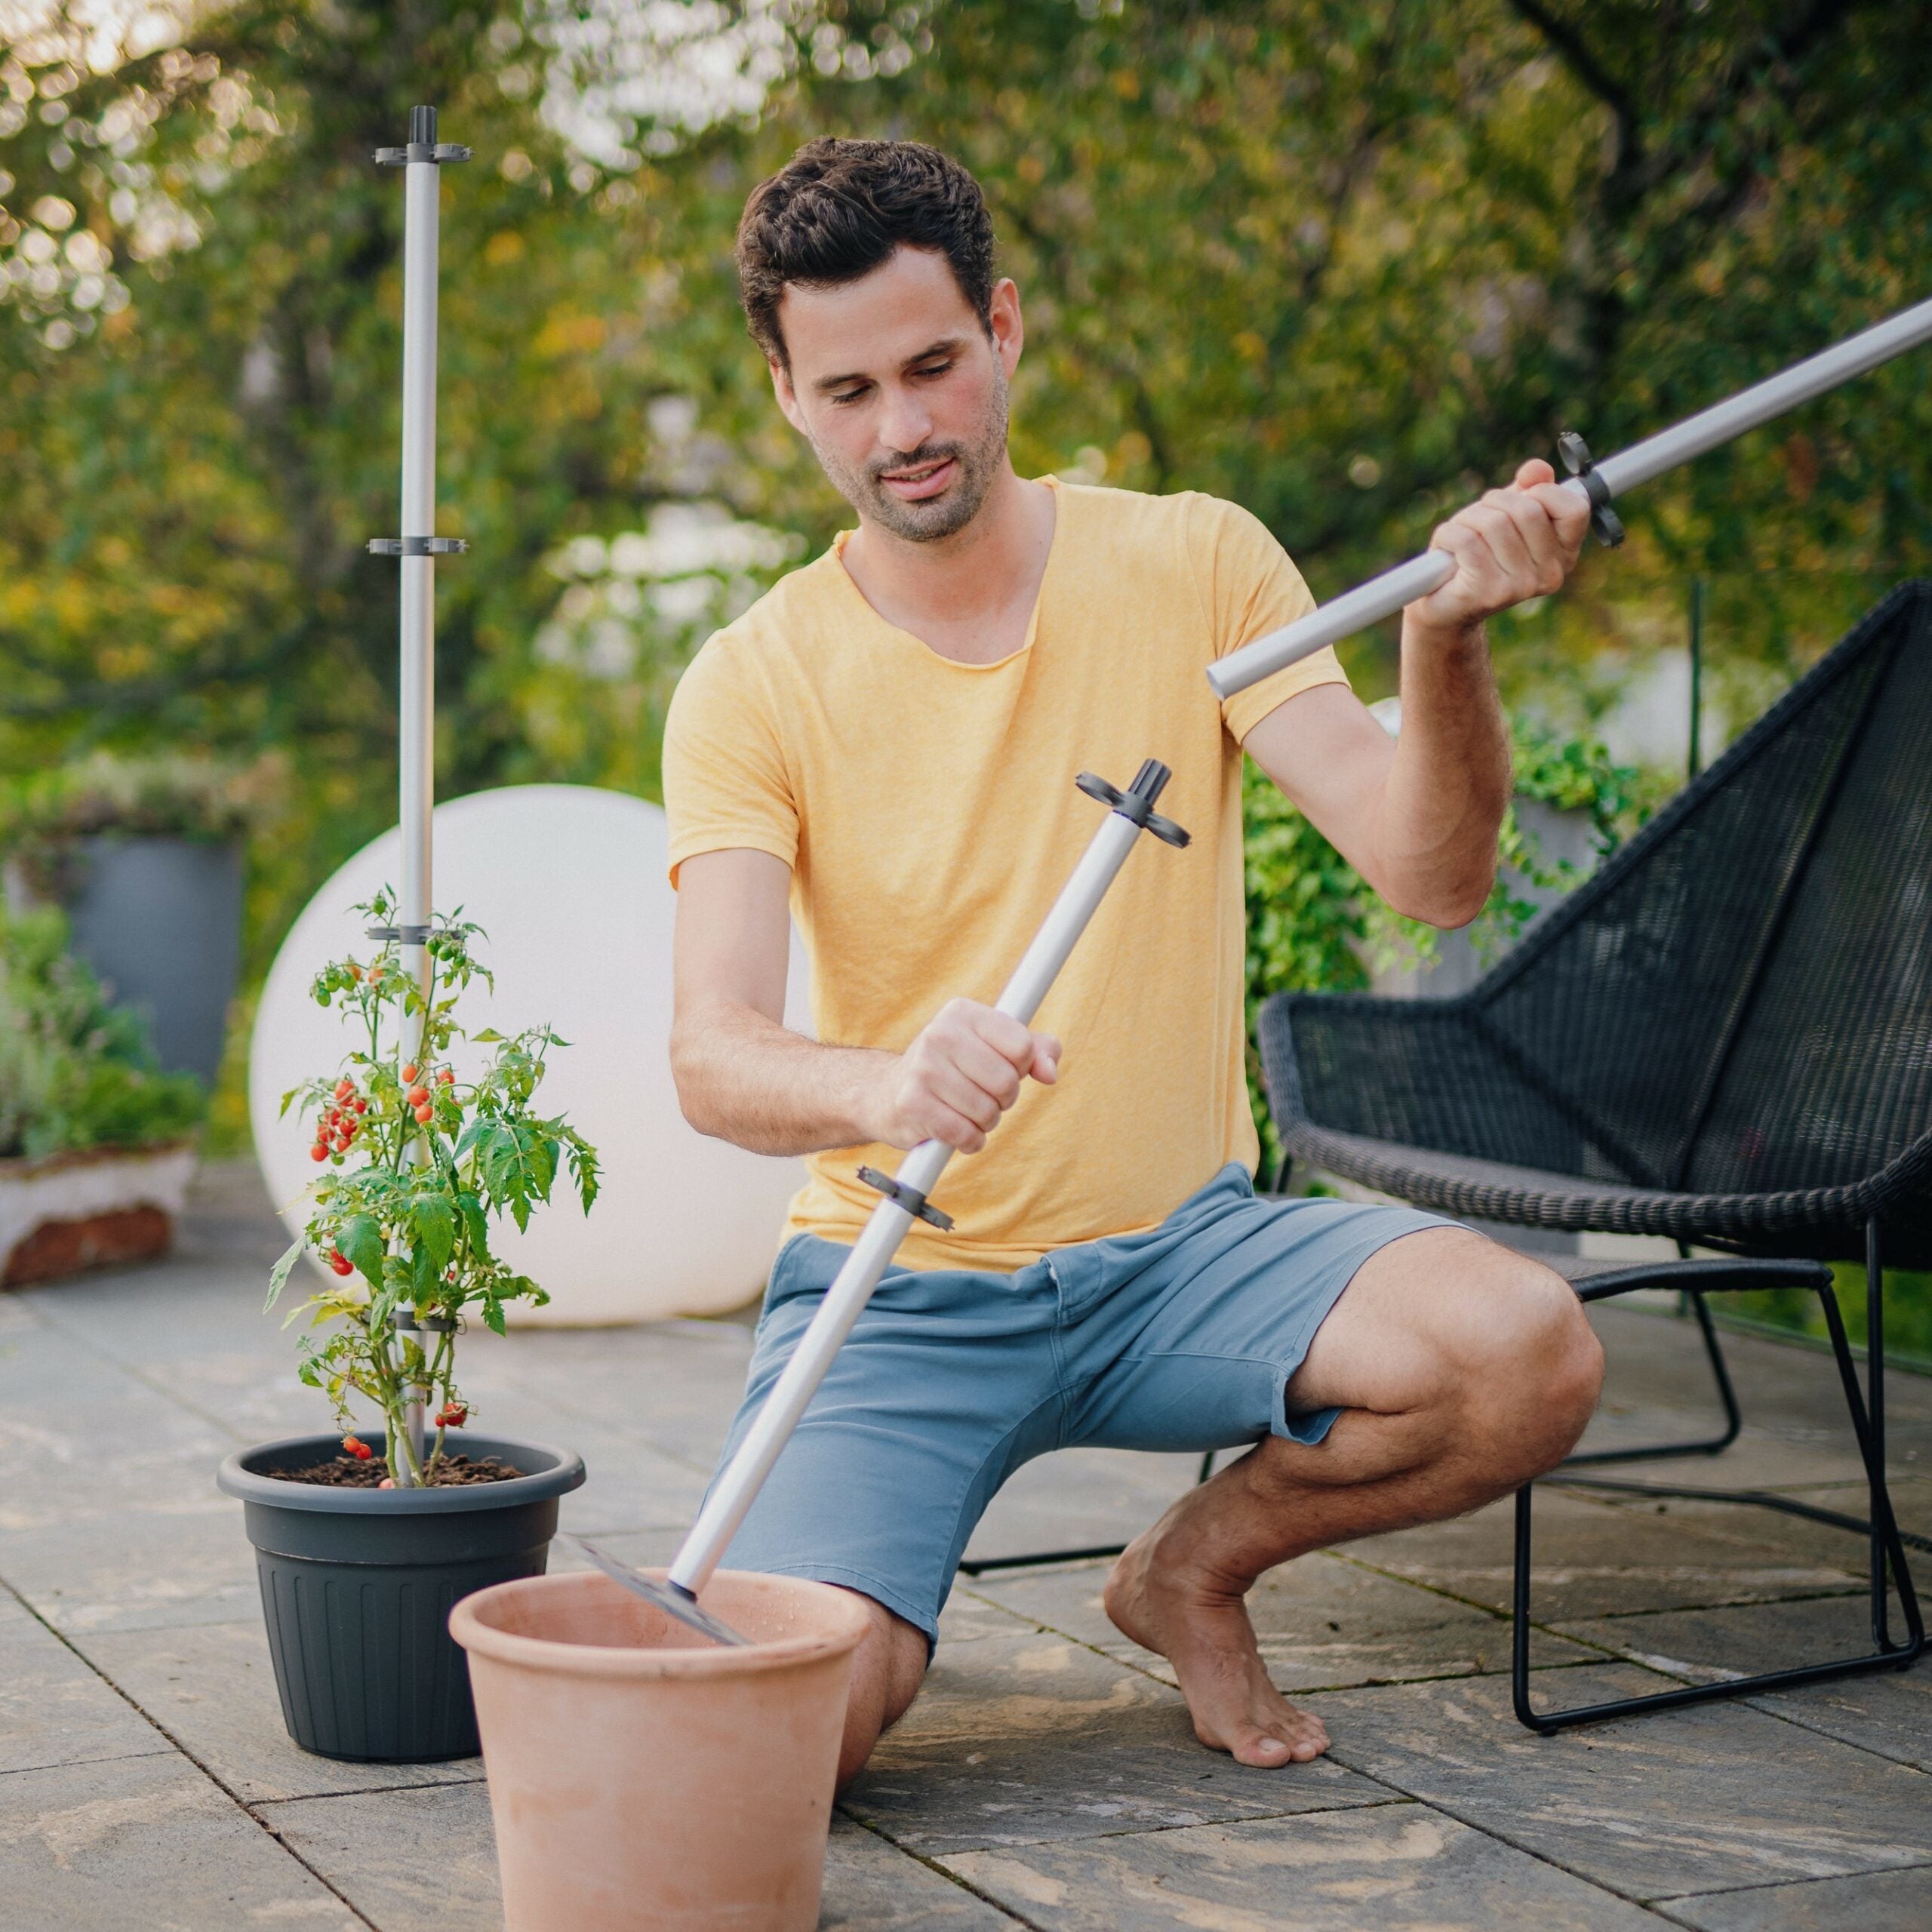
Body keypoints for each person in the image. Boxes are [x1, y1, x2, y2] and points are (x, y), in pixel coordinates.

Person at [662, 137, 1603, 1787]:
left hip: (1184, 1252)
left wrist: (1441, 643)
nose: (902, 429)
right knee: (788, 1728)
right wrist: (885, 1083)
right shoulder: (751, 681)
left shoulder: (1199, 563)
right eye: (850, 391)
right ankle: (854, 1618)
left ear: (1005, 326)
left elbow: (1433, 873)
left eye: (934, 366)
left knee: (1526, 1350)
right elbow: (711, 1053)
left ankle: (1191, 1568)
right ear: (786, 394)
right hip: (900, 1283)